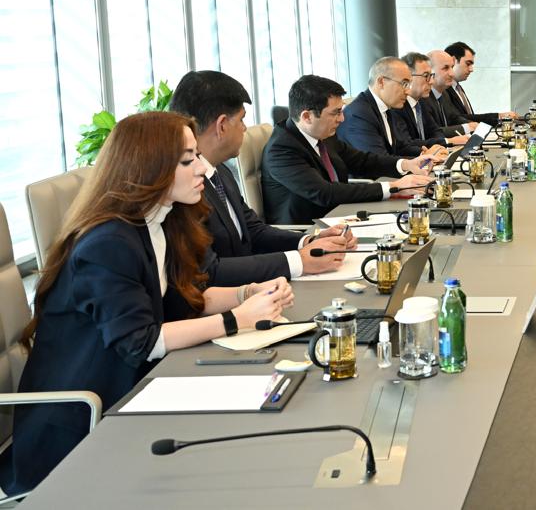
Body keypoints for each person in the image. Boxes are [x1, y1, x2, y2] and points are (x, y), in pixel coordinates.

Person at [3, 112, 293, 494]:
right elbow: (141, 341)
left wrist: (247, 293)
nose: (202, 168)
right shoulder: (107, 243)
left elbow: (185, 298)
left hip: (132, 392)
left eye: (197, 156)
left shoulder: (158, 222)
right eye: (187, 160)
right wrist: (236, 319)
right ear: (149, 168)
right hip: (79, 427)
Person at [170, 70, 357, 283]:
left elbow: (253, 230)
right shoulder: (185, 188)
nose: (244, 128)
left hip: (257, 286)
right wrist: (298, 261)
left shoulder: (220, 171)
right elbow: (210, 271)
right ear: (222, 126)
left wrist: (309, 241)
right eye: (241, 120)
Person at [261, 75, 434, 224]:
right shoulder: (281, 150)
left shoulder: (324, 135)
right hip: (310, 231)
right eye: (335, 113)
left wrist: (406, 164)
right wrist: (394, 186)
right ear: (307, 116)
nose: (342, 119)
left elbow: (361, 161)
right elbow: (325, 193)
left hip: (342, 216)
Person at [337, 57, 442, 160]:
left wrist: (423, 154)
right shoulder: (359, 114)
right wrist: (413, 162)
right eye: (404, 84)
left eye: (408, 84)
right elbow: (377, 161)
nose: (408, 91)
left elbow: (400, 147)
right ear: (381, 82)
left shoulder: (386, 107)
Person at [395, 51, 463, 147]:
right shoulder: (397, 106)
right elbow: (407, 143)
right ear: (408, 77)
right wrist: (448, 141)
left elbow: (435, 131)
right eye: (426, 76)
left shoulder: (421, 102)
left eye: (431, 76)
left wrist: (442, 145)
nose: (431, 81)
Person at [444, 41, 520, 125]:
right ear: (453, 61)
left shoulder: (458, 88)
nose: (471, 69)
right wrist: (499, 116)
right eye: (468, 64)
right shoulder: (444, 90)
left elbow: (469, 118)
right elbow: (457, 119)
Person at [425, 50, 479, 137]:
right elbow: (432, 133)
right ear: (430, 71)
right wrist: (467, 127)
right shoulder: (423, 98)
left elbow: (454, 118)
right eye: (446, 68)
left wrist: (475, 125)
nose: (452, 73)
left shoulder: (444, 94)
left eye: (452, 67)